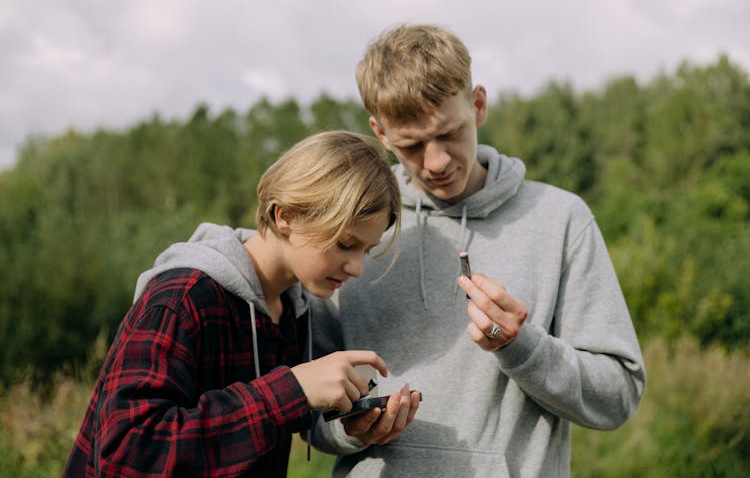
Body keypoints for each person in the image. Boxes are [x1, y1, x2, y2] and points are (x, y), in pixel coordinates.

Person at [308, 24, 646, 477]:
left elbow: (618, 396)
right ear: (380, 133)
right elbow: (307, 413)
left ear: (479, 105)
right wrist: (351, 429)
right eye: (412, 145)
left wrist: (523, 348)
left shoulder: (561, 219)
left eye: (449, 133)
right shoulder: (353, 230)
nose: (437, 161)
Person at [63, 130, 403, 477]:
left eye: (367, 249)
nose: (358, 268)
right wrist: (289, 392)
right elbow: (124, 454)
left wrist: (352, 425)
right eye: (346, 244)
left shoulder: (291, 312)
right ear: (286, 216)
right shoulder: (183, 298)